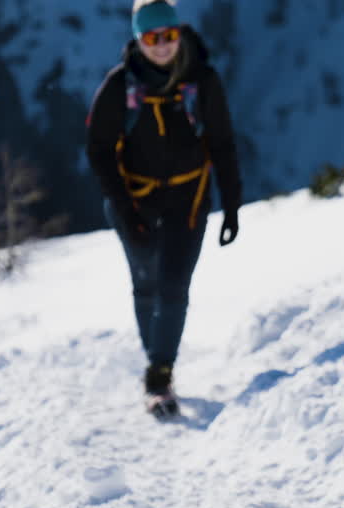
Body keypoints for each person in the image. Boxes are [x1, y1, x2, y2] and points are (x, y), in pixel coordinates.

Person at [86, 0, 243, 418]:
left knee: (173, 284)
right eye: (152, 38)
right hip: (133, 200)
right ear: (138, 39)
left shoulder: (201, 81)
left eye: (169, 35)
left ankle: (159, 373)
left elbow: (222, 143)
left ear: (179, 32)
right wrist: (124, 206)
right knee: (145, 284)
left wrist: (231, 204)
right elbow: (99, 150)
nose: (162, 46)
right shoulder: (121, 86)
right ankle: (156, 354)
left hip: (188, 200)